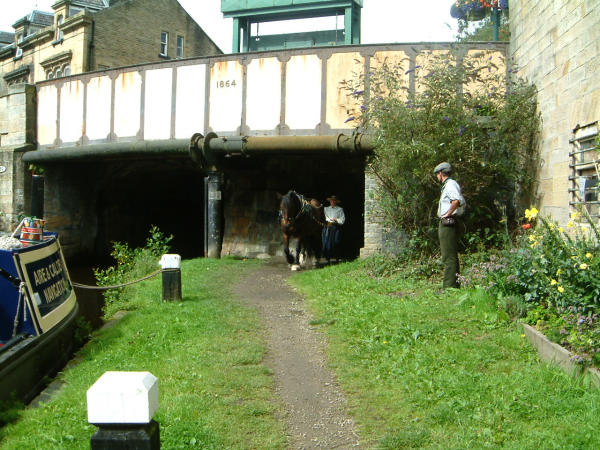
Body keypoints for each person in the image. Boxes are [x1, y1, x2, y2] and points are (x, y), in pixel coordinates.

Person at [434, 162, 465, 289]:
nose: (437, 177)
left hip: (448, 223)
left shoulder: (450, 184)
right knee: (450, 255)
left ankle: (449, 287)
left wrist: (447, 214)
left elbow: (456, 200)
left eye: (437, 174)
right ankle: (454, 285)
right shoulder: (449, 185)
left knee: (448, 256)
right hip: (448, 222)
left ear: (441, 173)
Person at [322, 195, 345, 263]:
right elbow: (323, 217)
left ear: (336, 202)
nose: (333, 202)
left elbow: (342, 219)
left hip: (335, 227)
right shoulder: (326, 209)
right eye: (331, 201)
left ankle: (337, 257)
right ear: (330, 201)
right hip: (328, 226)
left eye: (334, 201)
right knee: (327, 242)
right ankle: (327, 258)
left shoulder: (340, 209)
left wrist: (336, 219)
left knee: (336, 241)